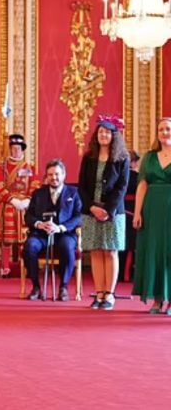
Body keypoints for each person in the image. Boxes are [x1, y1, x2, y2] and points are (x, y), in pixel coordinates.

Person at [78, 115, 130, 311]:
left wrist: (107, 210)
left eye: (107, 132)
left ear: (114, 135)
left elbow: (122, 187)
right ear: (96, 135)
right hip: (91, 210)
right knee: (96, 251)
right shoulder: (88, 157)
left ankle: (110, 294)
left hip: (113, 213)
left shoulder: (122, 158)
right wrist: (91, 207)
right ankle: (99, 293)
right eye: (100, 132)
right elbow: (82, 186)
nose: (103, 135)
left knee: (110, 251)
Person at [22, 160, 82, 301]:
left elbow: (79, 216)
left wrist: (60, 228)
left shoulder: (73, 192)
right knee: (30, 246)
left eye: (57, 174)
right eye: (50, 175)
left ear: (63, 175)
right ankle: (36, 287)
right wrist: (39, 224)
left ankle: (63, 287)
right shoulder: (38, 193)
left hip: (64, 233)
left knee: (67, 246)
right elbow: (28, 216)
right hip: (41, 234)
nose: (53, 178)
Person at [132, 118, 171, 314]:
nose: (164, 132)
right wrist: (137, 212)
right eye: (161, 129)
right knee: (155, 252)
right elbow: (142, 185)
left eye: (168, 129)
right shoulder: (149, 157)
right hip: (152, 209)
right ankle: (157, 299)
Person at [0, 134, 41, 278]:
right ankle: (5, 268)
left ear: (23, 150)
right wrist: (13, 200)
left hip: (26, 207)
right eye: (13, 148)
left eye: (18, 148)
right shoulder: (0, 168)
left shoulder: (30, 168)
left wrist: (27, 200)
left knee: (25, 239)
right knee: (7, 239)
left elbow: (35, 185)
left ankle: (25, 267)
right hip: (8, 205)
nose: (16, 151)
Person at [119, 150, 140, 281]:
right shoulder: (137, 177)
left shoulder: (118, 176)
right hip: (133, 210)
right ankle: (129, 274)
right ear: (134, 162)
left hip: (120, 211)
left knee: (122, 244)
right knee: (132, 245)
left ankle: (120, 273)